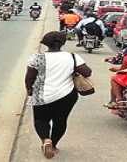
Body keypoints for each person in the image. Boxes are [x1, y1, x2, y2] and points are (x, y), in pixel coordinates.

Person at [24, 31, 92, 159]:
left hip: (42, 95)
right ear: (62, 43)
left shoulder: (37, 58)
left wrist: (29, 90)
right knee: (60, 121)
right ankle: (53, 145)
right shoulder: (72, 57)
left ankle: (45, 140)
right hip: (67, 95)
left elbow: (29, 77)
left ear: (45, 43)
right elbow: (87, 72)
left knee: (41, 120)